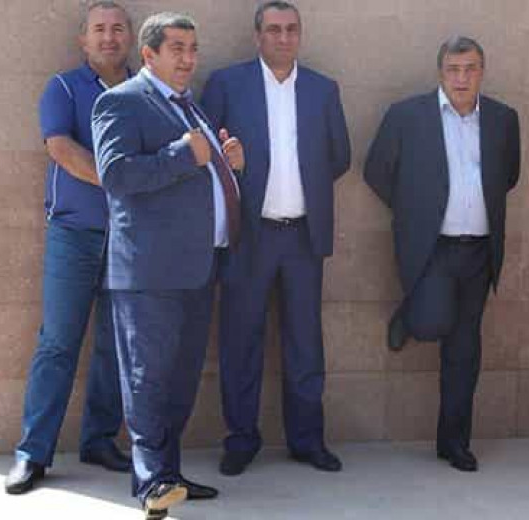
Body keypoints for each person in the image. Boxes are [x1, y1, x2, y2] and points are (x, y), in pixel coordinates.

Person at [92, 11, 244, 520]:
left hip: (198, 267)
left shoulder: (190, 105)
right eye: (177, 48)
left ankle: (169, 474)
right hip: (149, 272)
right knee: (148, 378)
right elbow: (115, 174)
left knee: (179, 381)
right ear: (149, 53)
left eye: (193, 48)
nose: (188, 58)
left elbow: (198, 170)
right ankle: (152, 481)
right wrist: (183, 154)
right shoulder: (121, 101)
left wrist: (228, 163)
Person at [201, 0, 351, 476]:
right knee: (240, 341)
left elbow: (339, 156)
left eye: (291, 29)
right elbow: (207, 156)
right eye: (273, 29)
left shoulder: (323, 89)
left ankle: (307, 440)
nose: (283, 38)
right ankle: (241, 439)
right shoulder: (227, 84)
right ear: (257, 36)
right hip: (249, 235)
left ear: (299, 35)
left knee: (305, 343)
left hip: (303, 237)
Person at [364, 36, 521, 472]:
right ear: (440, 72)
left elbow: (509, 175)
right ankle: (411, 314)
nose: (461, 78)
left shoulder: (504, 120)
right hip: (433, 249)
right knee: (433, 321)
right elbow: (376, 170)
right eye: (453, 69)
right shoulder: (407, 116)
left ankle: (454, 443)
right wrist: (415, 211)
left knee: (464, 350)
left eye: (470, 69)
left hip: (480, 252)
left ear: (482, 72)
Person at [4, 1, 134, 495]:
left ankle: (99, 441)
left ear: (130, 38)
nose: (109, 37)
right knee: (57, 343)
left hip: (130, 239)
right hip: (74, 236)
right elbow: (60, 148)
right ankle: (32, 452)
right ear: (83, 39)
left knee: (114, 346)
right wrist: (119, 180)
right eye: (99, 29)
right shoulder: (63, 88)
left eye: (117, 29)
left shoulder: (146, 92)